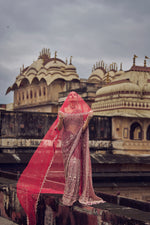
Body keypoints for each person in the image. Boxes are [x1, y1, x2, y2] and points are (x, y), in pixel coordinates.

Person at [17, 91, 104, 225]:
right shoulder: (64, 111)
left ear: (78, 99)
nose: (73, 97)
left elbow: (83, 129)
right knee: (69, 168)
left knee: (75, 166)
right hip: (67, 142)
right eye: (71, 96)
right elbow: (58, 128)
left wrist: (89, 118)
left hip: (77, 142)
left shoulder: (81, 111)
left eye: (75, 95)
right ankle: (69, 195)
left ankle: (72, 196)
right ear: (68, 99)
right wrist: (62, 118)